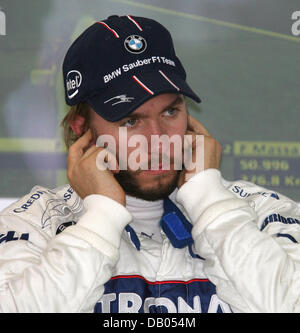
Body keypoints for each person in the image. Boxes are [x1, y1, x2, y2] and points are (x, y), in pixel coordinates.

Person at [0, 14, 300, 314]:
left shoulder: (262, 211)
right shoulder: (33, 222)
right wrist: (101, 218)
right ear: (81, 130)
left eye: (170, 112)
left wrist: (209, 200)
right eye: (131, 120)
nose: (158, 139)